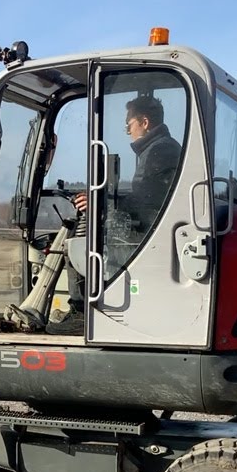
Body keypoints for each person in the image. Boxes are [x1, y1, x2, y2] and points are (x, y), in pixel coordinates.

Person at [47, 95, 182, 334]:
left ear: (145, 122)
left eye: (129, 124)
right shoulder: (162, 148)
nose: (128, 131)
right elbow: (145, 194)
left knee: (77, 246)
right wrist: (101, 199)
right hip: (152, 228)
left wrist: (100, 202)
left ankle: (81, 313)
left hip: (148, 233)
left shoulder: (160, 151)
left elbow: (144, 200)